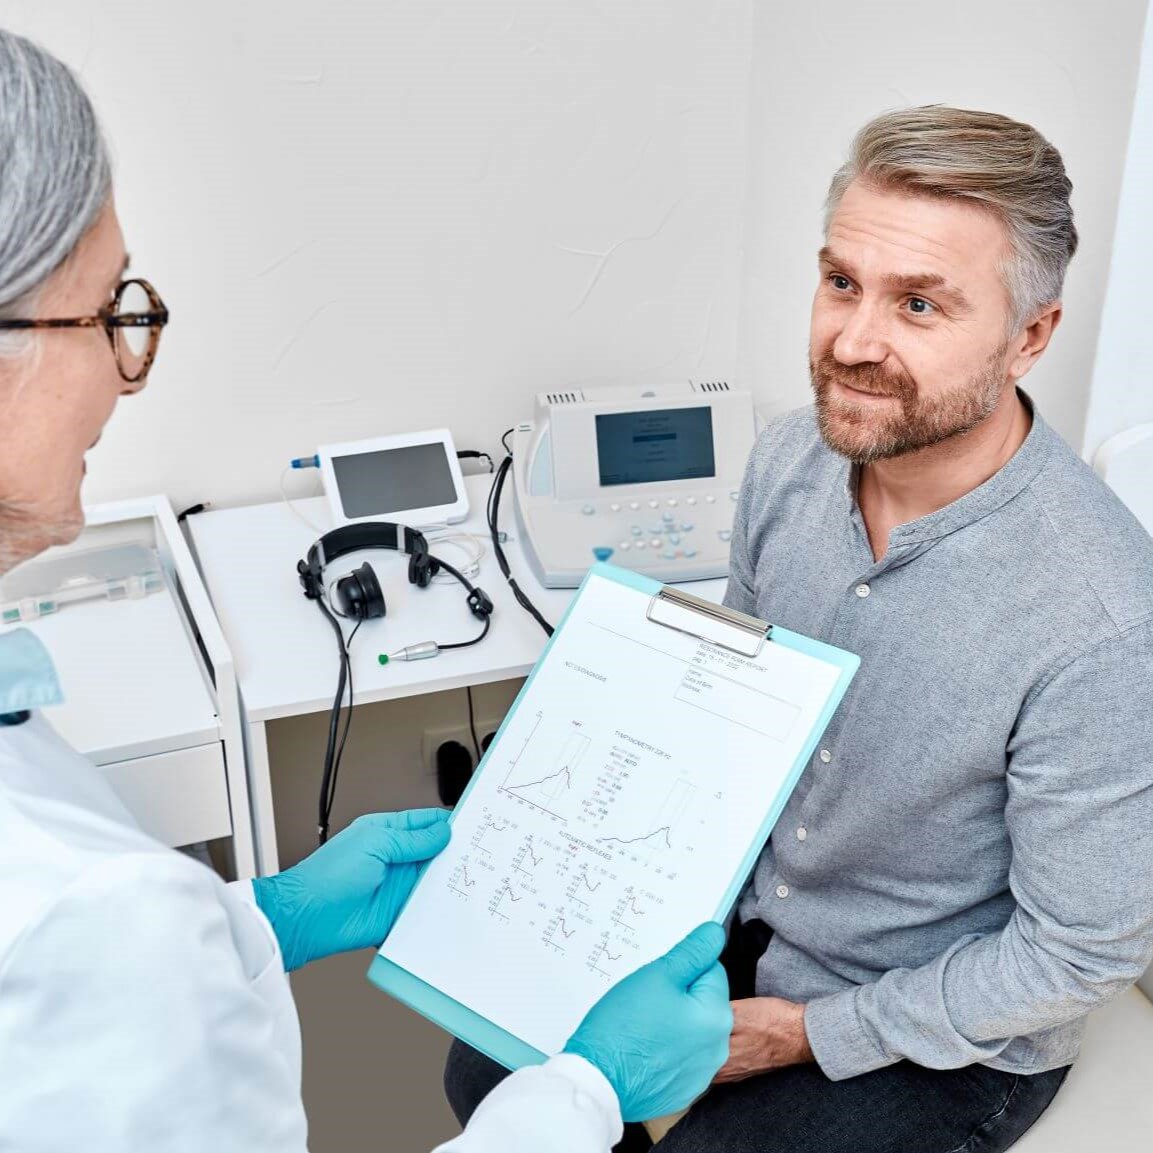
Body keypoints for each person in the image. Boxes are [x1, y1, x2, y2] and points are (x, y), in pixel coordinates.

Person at [0, 30, 733, 1153]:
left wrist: (264, 918)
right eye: (106, 313)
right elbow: (89, 964)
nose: (125, 368)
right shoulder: (90, 923)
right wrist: (587, 1086)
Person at [446, 106, 1153, 1151]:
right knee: (490, 1062)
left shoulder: (1098, 620)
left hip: (931, 1016)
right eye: (840, 283)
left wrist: (798, 1034)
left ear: (1029, 337)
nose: (853, 343)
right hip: (752, 911)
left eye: (918, 303)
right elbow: (733, 701)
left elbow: (1077, 954)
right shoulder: (789, 461)